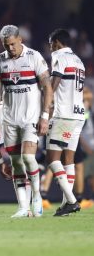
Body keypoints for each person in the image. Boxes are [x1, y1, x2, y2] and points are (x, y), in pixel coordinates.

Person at [0, 25, 52, 217]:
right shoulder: (0, 60)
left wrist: (44, 116)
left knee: (28, 158)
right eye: (6, 45)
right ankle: (23, 206)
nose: (10, 49)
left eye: (12, 44)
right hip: (10, 119)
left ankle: (36, 196)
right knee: (16, 163)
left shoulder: (34, 57)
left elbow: (47, 88)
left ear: (20, 40)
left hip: (30, 118)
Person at [45, 28, 84, 216]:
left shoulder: (59, 56)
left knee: (52, 159)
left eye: (51, 43)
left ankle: (72, 200)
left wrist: (45, 109)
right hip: (78, 115)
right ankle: (66, 205)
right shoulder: (79, 61)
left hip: (64, 115)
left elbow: (54, 84)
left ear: (57, 42)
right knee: (68, 160)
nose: (50, 47)